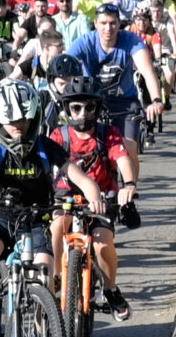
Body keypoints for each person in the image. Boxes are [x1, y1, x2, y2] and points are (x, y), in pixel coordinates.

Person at [47, 77, 134, 320]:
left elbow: (123, 159)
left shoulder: (109, 133)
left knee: (102, 243)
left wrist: (129, 185)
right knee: (56, 228)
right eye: (76, 108)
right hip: (65, 199)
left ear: (97, 109)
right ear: (67, 109)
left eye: (89, 107)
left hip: (101, 200)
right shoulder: (58, 135)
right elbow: (45, 164)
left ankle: (110, 289)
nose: (82, 114)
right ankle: (55, 281)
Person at [0, 79, 61, 267]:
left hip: (37, 221)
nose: (18, 125)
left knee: (45, 269)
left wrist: (95, 196)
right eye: (10, 121)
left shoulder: (45, 145)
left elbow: (76, 174)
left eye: (24, 119)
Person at [66, 2, 165, 184]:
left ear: (119, 24)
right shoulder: (85, 42)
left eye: (112, 23)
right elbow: (65, 66)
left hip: (124, 103)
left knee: (128, 147)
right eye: (103, 23)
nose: (108, 28)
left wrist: (156, 99)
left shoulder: (131, 40)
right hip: (92, 104)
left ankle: (131, 188)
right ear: (95, 24)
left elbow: (147, 70)